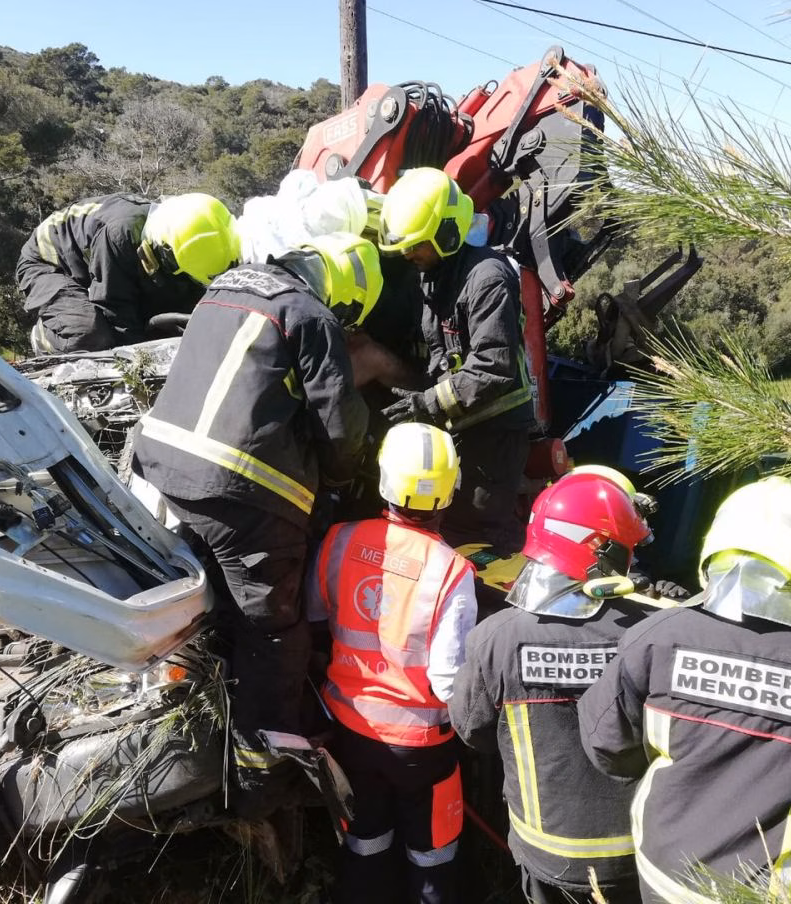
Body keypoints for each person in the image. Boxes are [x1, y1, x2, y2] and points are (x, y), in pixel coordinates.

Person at [132, 231, 383, 818]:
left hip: (165, 470)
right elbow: (341, 429)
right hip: (244, 493)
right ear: (346, 295)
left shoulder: (226, 286)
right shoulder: (312, 316)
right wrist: (345, 479)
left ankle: (199, 724)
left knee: (207, 611)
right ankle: (258, 783)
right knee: (271, 630)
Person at [578, 476, 791, 903]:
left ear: (714, 545)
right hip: (781, 892)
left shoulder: (657, 637)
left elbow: (606, 746)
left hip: (665, 878)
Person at [449, 470, 676, 904]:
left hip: (545, 854)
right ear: (601, 551)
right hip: (636, 854)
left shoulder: (497, 637)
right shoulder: (651, 632)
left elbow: (473, 732)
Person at [307, 422, 478, 904]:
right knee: (432, 860)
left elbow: (317, 616)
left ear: (383, 478)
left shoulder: (340, 540)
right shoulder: (451, 570)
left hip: (350, 734)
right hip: (422, 748)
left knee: (364, 849)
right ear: (450, 491)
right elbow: (448, 681)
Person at [378, 167, 535, 555]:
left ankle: (493, 603)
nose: (407, 254)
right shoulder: (433, 274)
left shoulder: (487, 278)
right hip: (463, 424)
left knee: (477, 532)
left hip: (495, 435)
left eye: (416, 245)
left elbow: (492, 367)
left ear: (447, 232)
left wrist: (426, 404)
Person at [15, 192, 240, 353]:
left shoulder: (195, 238)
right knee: (91, 334)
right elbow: (114, 307)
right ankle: (45, 336)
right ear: (163, 248)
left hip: (101, 265)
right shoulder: (120, 234)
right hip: (49, 263)